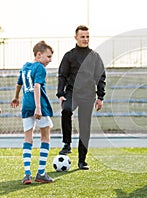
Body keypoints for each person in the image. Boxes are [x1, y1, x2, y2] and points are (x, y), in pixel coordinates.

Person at [56, 25, 106, 170]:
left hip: (88, 95)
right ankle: (67, 144)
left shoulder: (95, 56)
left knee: (84, 128)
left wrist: (100, 97)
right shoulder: (69, 55)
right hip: (72, 93)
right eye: (82, 36)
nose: (85, 39)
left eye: (87, 36)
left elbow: (101, 77)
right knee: (66, 110)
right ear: (76, 37)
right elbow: (62, 76)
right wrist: (60, 94)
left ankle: (82, 161)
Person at [11, 41, 54, 184]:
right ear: (39, 54)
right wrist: (38, 108)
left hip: (25, 106)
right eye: (48, 56)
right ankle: (41, 173)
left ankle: (27, 174)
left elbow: (19, 83)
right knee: (45, 138)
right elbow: (36, 86)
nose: (50, 60)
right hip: (38, 105)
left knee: (27, 139)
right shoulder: (40, 67)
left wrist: (16, 97)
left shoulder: (25, 67)